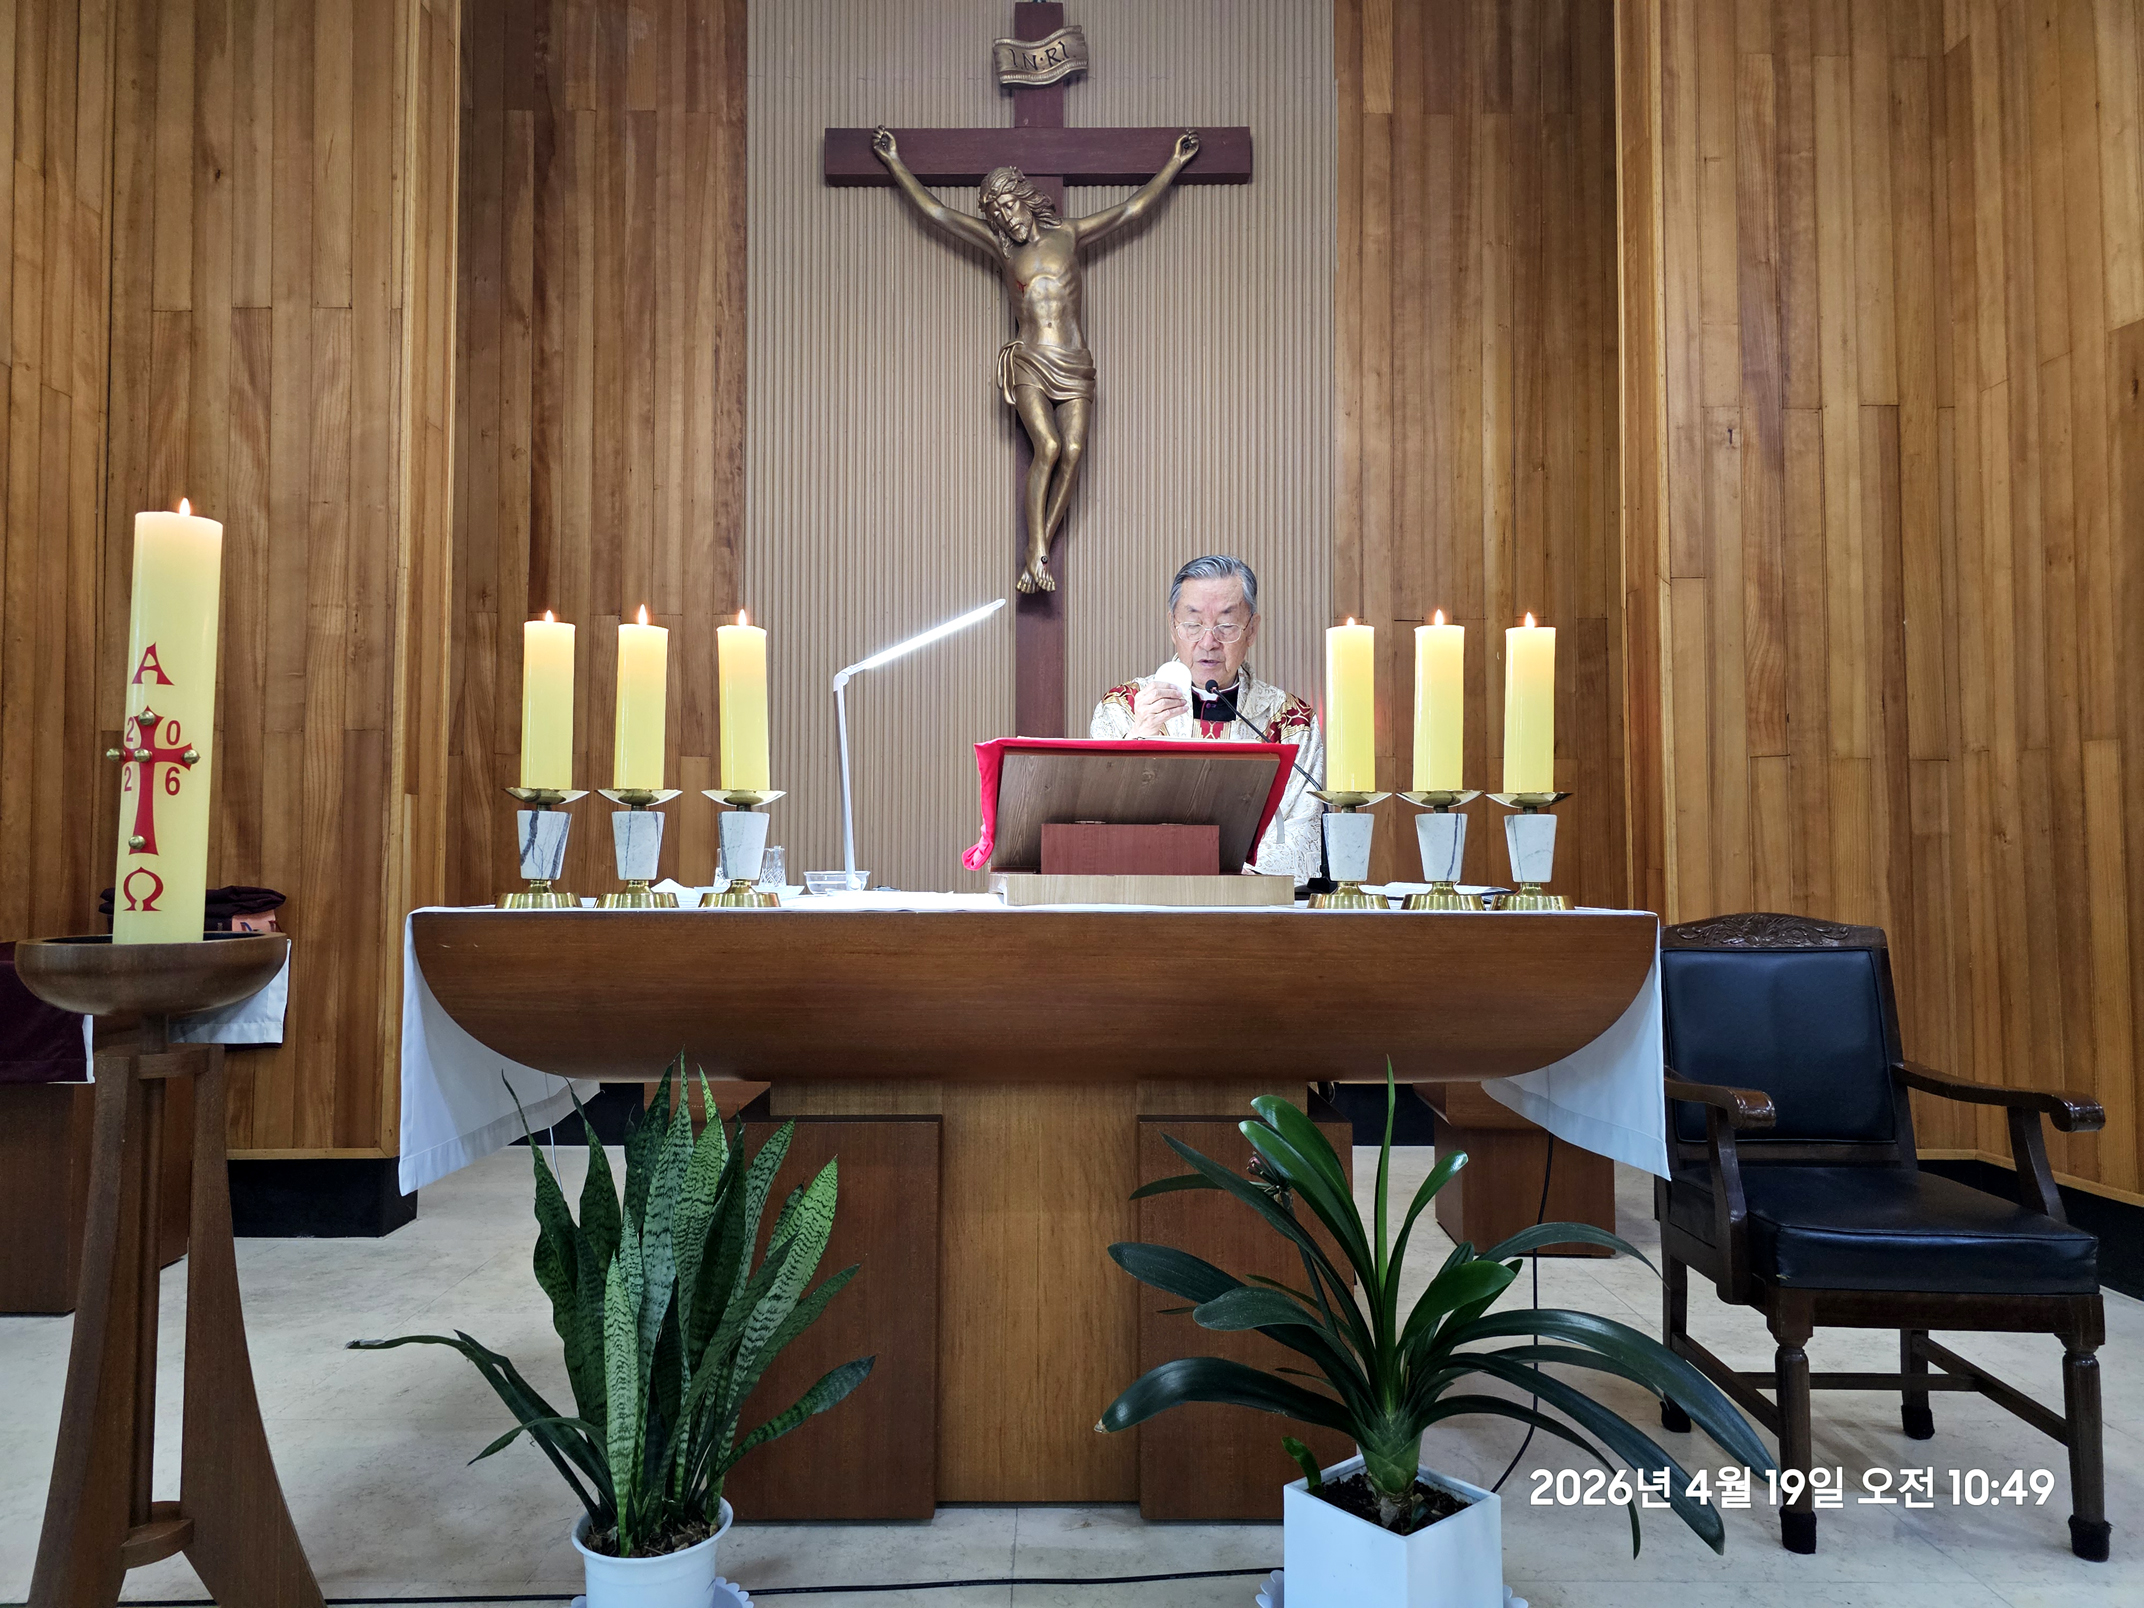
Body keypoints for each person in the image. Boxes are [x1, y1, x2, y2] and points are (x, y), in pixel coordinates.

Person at [868, 126, 1202, 594]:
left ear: (1025, 199)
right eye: (997, 213)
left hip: (1074, 361)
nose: (1006, 218)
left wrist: (1174, 164)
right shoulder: (1001, 247)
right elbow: (937, 212)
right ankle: (1036, 550)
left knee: (1074, 451)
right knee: (1046, 446)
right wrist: (895, 162)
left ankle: (1038, 549)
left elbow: (1130, 209)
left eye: (1008, 206)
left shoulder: (1068, 234)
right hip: (1028, 359)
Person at [1090, 555, 1324, 882]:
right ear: (1173, 627)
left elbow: (1300, 840)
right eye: (1193, 623)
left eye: (1226, 625)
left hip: (1252, 909)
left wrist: (1223, 879)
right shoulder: (1124, 708)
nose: (1208, 641)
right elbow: (1095, 826)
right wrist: (1137, 741)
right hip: (1145, 902)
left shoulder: (1289, 722)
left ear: (1252, 630)